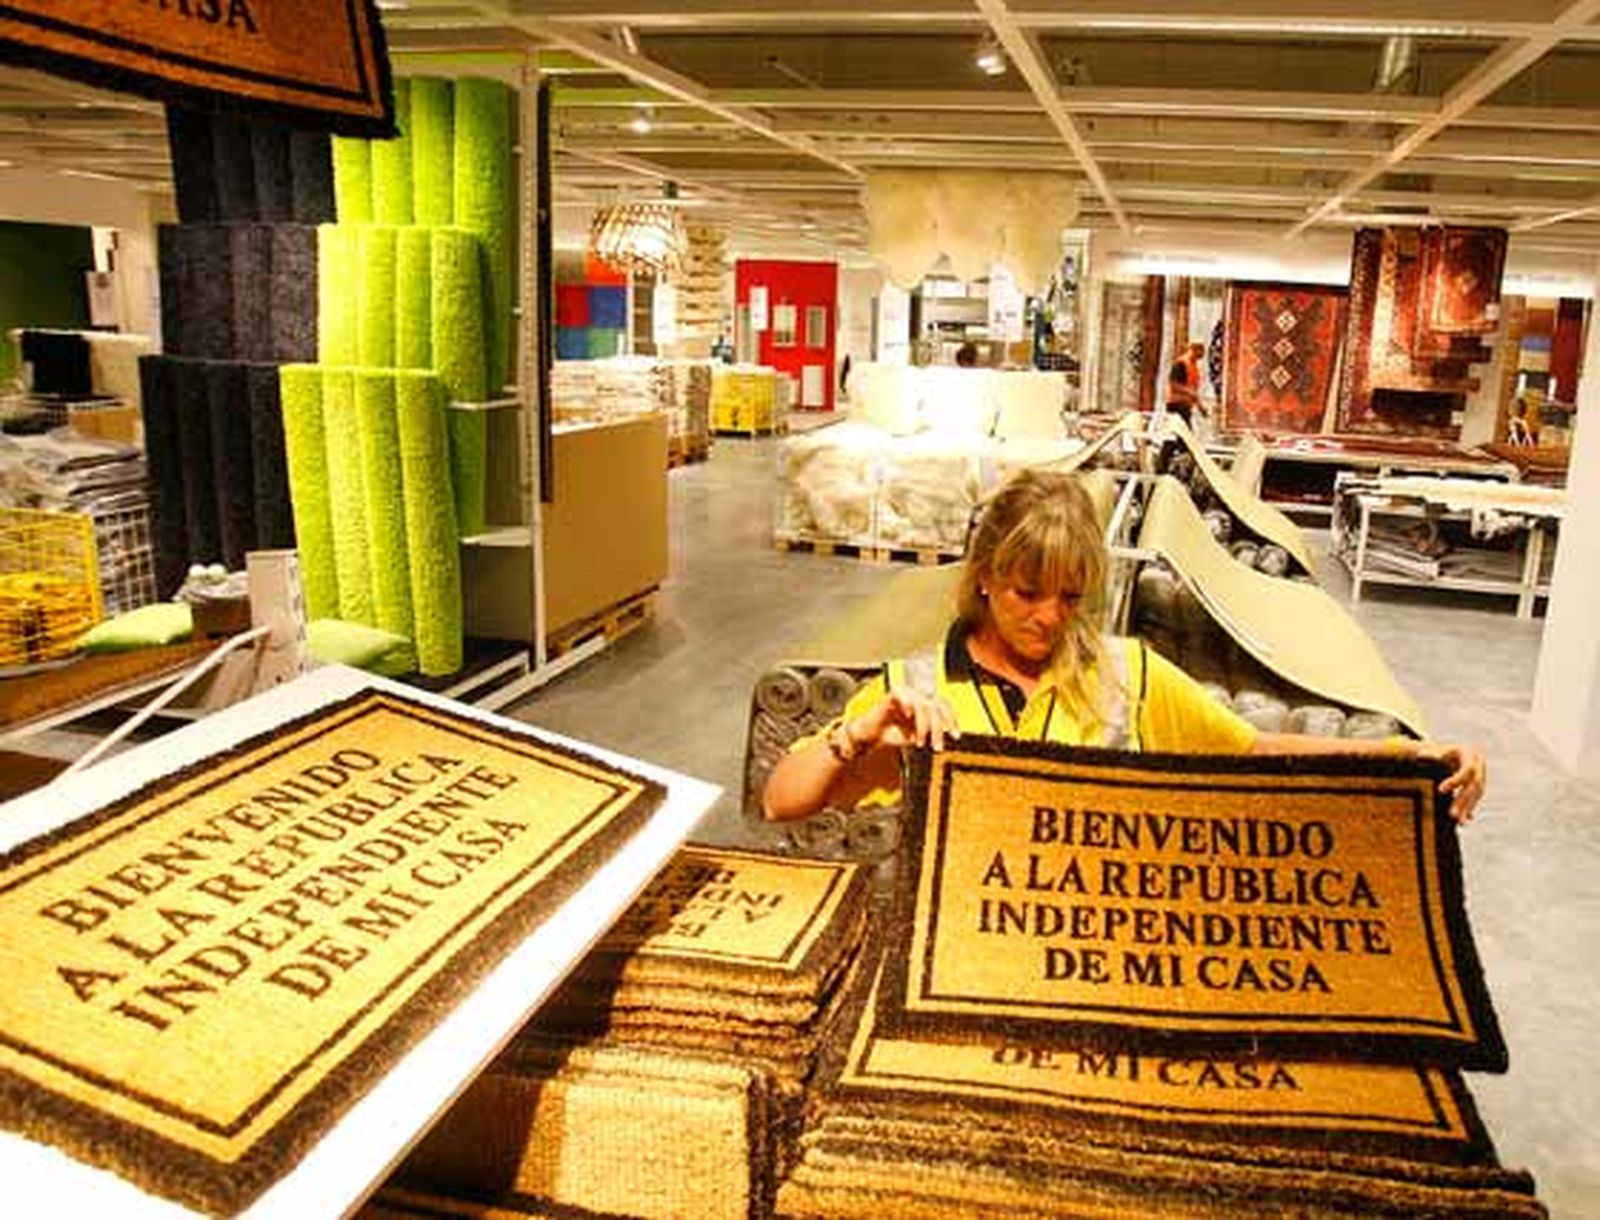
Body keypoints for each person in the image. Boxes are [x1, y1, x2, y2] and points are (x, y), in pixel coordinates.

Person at [763, 468, 1486, 826]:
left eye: (1070, 598)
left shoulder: (1126, 673)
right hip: (960, 960)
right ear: (983, 579)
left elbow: (1258, 754)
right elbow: (780, 802)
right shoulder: (917, 690)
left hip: (1091, 959)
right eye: (1026, 593)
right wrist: (857, 736)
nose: (1049, 618)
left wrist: (1410, 756)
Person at [1166, 341, 1206, 426]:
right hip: (1176, 405)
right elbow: (1173, 384)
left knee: (1183, 435)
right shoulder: (1180, 364)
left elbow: (1193, 391)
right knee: (1182, 434)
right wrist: (1188, 392)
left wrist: (1200, 408)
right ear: (1193, 350)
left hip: (1185, 406)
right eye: (1200, 351)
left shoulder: (1194, 367)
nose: (1202, 355)